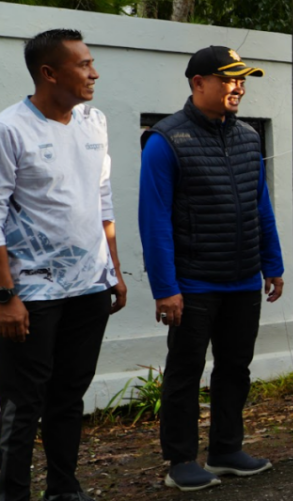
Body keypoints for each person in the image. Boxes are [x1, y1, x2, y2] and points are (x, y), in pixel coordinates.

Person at [139, 46, 283, 490]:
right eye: (228, 78)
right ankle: (179, 460)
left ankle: (225, 449)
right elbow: (154, 218)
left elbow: (260, 204)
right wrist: (166, 287)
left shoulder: (246, 137)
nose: (238, 86)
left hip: (242, 278)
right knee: (185, 372)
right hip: (194, 282)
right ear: (198, 82)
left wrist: (272, 262)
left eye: (242, 79)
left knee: (235, 368)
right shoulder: (166, 140)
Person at [0, 30, 127, 501]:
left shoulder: (94, 122)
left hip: (89, 287)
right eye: (83, 65)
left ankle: (63, 489)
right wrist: (5, 296)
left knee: (69, 396)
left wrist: (113, 272)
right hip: (31, 293)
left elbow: (102, 200)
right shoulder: (10, 128)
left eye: (92, 63)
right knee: (21, 402)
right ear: (49, 73)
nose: (93, 73)